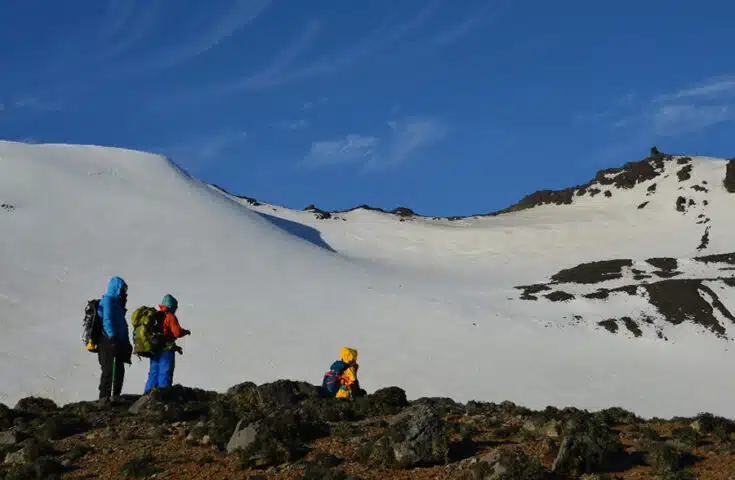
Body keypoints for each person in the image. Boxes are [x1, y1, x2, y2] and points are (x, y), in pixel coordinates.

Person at [144, 294, 190, 393]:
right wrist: (185, 332)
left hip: (154, 349)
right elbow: (177, 332)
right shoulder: (170, 316)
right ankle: (163, 395)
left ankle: (147, 396)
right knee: (164, 373)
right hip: (166, 350)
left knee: (153, 373)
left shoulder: (155, 315)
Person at [97, 276, 132, 403]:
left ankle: (114, 396)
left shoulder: (117, 302)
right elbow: (107, 320)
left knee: (118, 369)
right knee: (109, 369)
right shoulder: (108, 301)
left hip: (117, 340)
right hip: (108, 340)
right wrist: (112, 337)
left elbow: (121, 324)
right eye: (123, 288)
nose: (124, 291)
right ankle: (104, 398)